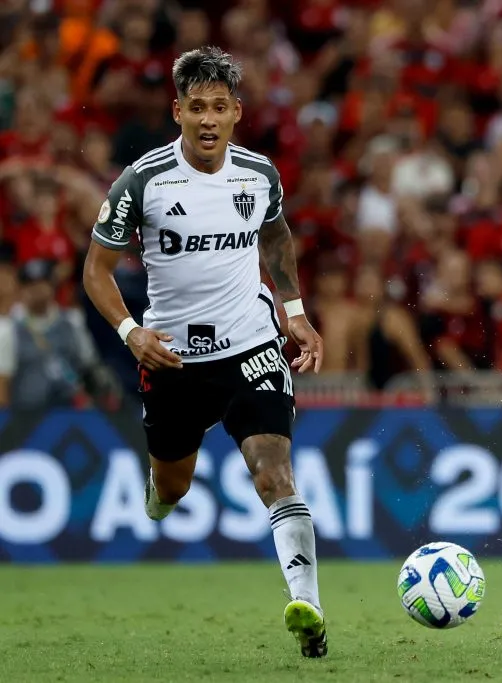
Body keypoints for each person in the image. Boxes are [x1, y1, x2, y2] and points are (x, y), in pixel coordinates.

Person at [82, 46, 328, 658]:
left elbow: (275, 235)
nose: (209, 119)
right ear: (178, 112)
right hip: (173, 361)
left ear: (237, 112)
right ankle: (158, 491)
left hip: (251, 344)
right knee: (173, 487)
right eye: (197, 108)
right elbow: (95, 271)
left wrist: (294, 313)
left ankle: (310, 610)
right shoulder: (143, 181)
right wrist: (131, 333)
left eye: (220, 107)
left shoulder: (259, 174)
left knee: (274, 472)